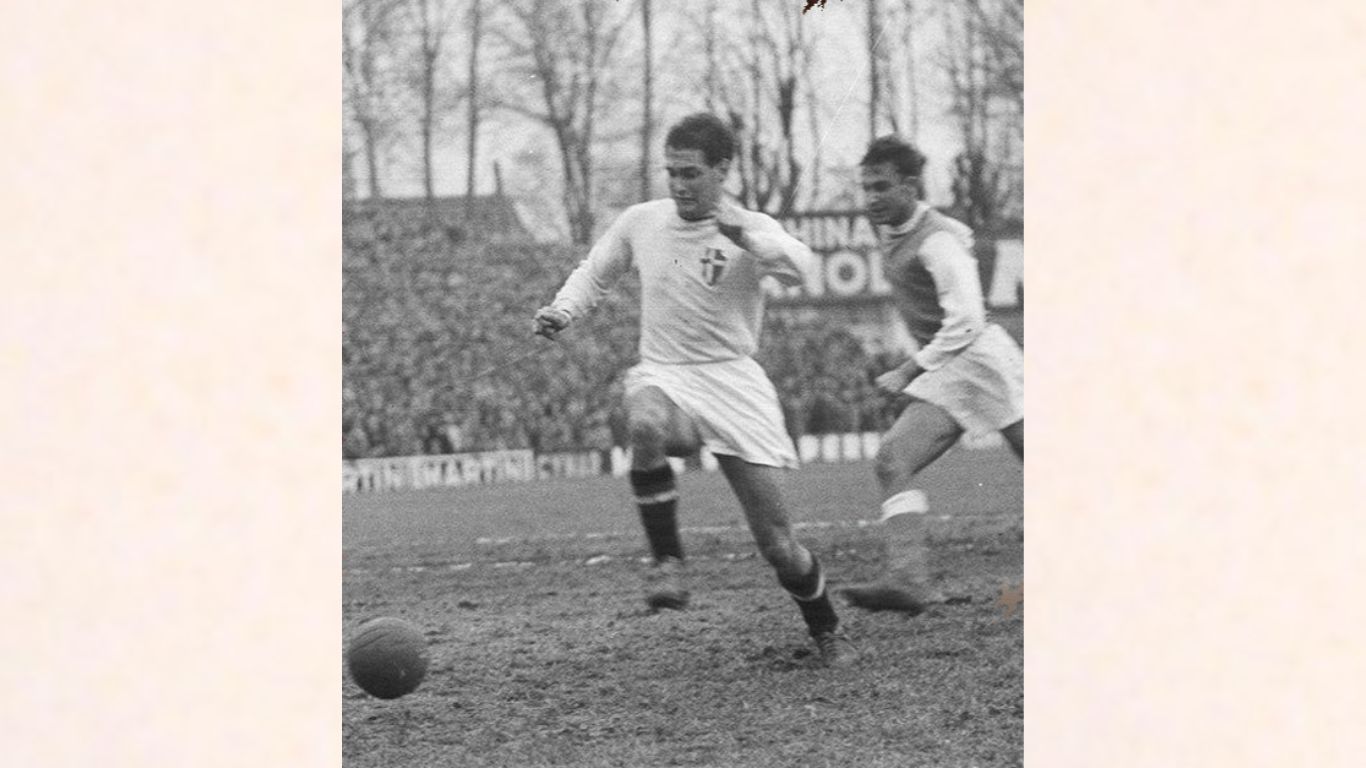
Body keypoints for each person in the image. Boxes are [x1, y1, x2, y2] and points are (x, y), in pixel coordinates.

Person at [533, 113, 858, 666]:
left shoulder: (749, 228)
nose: (679, 184)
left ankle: (826, 628)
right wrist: (563, 310)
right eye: (671, 172)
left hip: (733, 382)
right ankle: (668, 563)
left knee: (779, 546)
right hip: (666, 373)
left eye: (690, 173)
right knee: (644, 422)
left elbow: (802, 267)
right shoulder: (642, 221)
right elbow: (595, 271)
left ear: (722, 170)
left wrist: (745, 237)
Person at [840, 136, 1024, 614]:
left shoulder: (936, 240)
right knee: (892, 460)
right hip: (948, 366)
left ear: (910, 186)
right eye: (866, 188)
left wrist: (907, 369)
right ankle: (908, 578)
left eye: (882, 187)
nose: (871, 198)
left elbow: (967, 321)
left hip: (981, 360)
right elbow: (960, 237)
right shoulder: (905, 230)